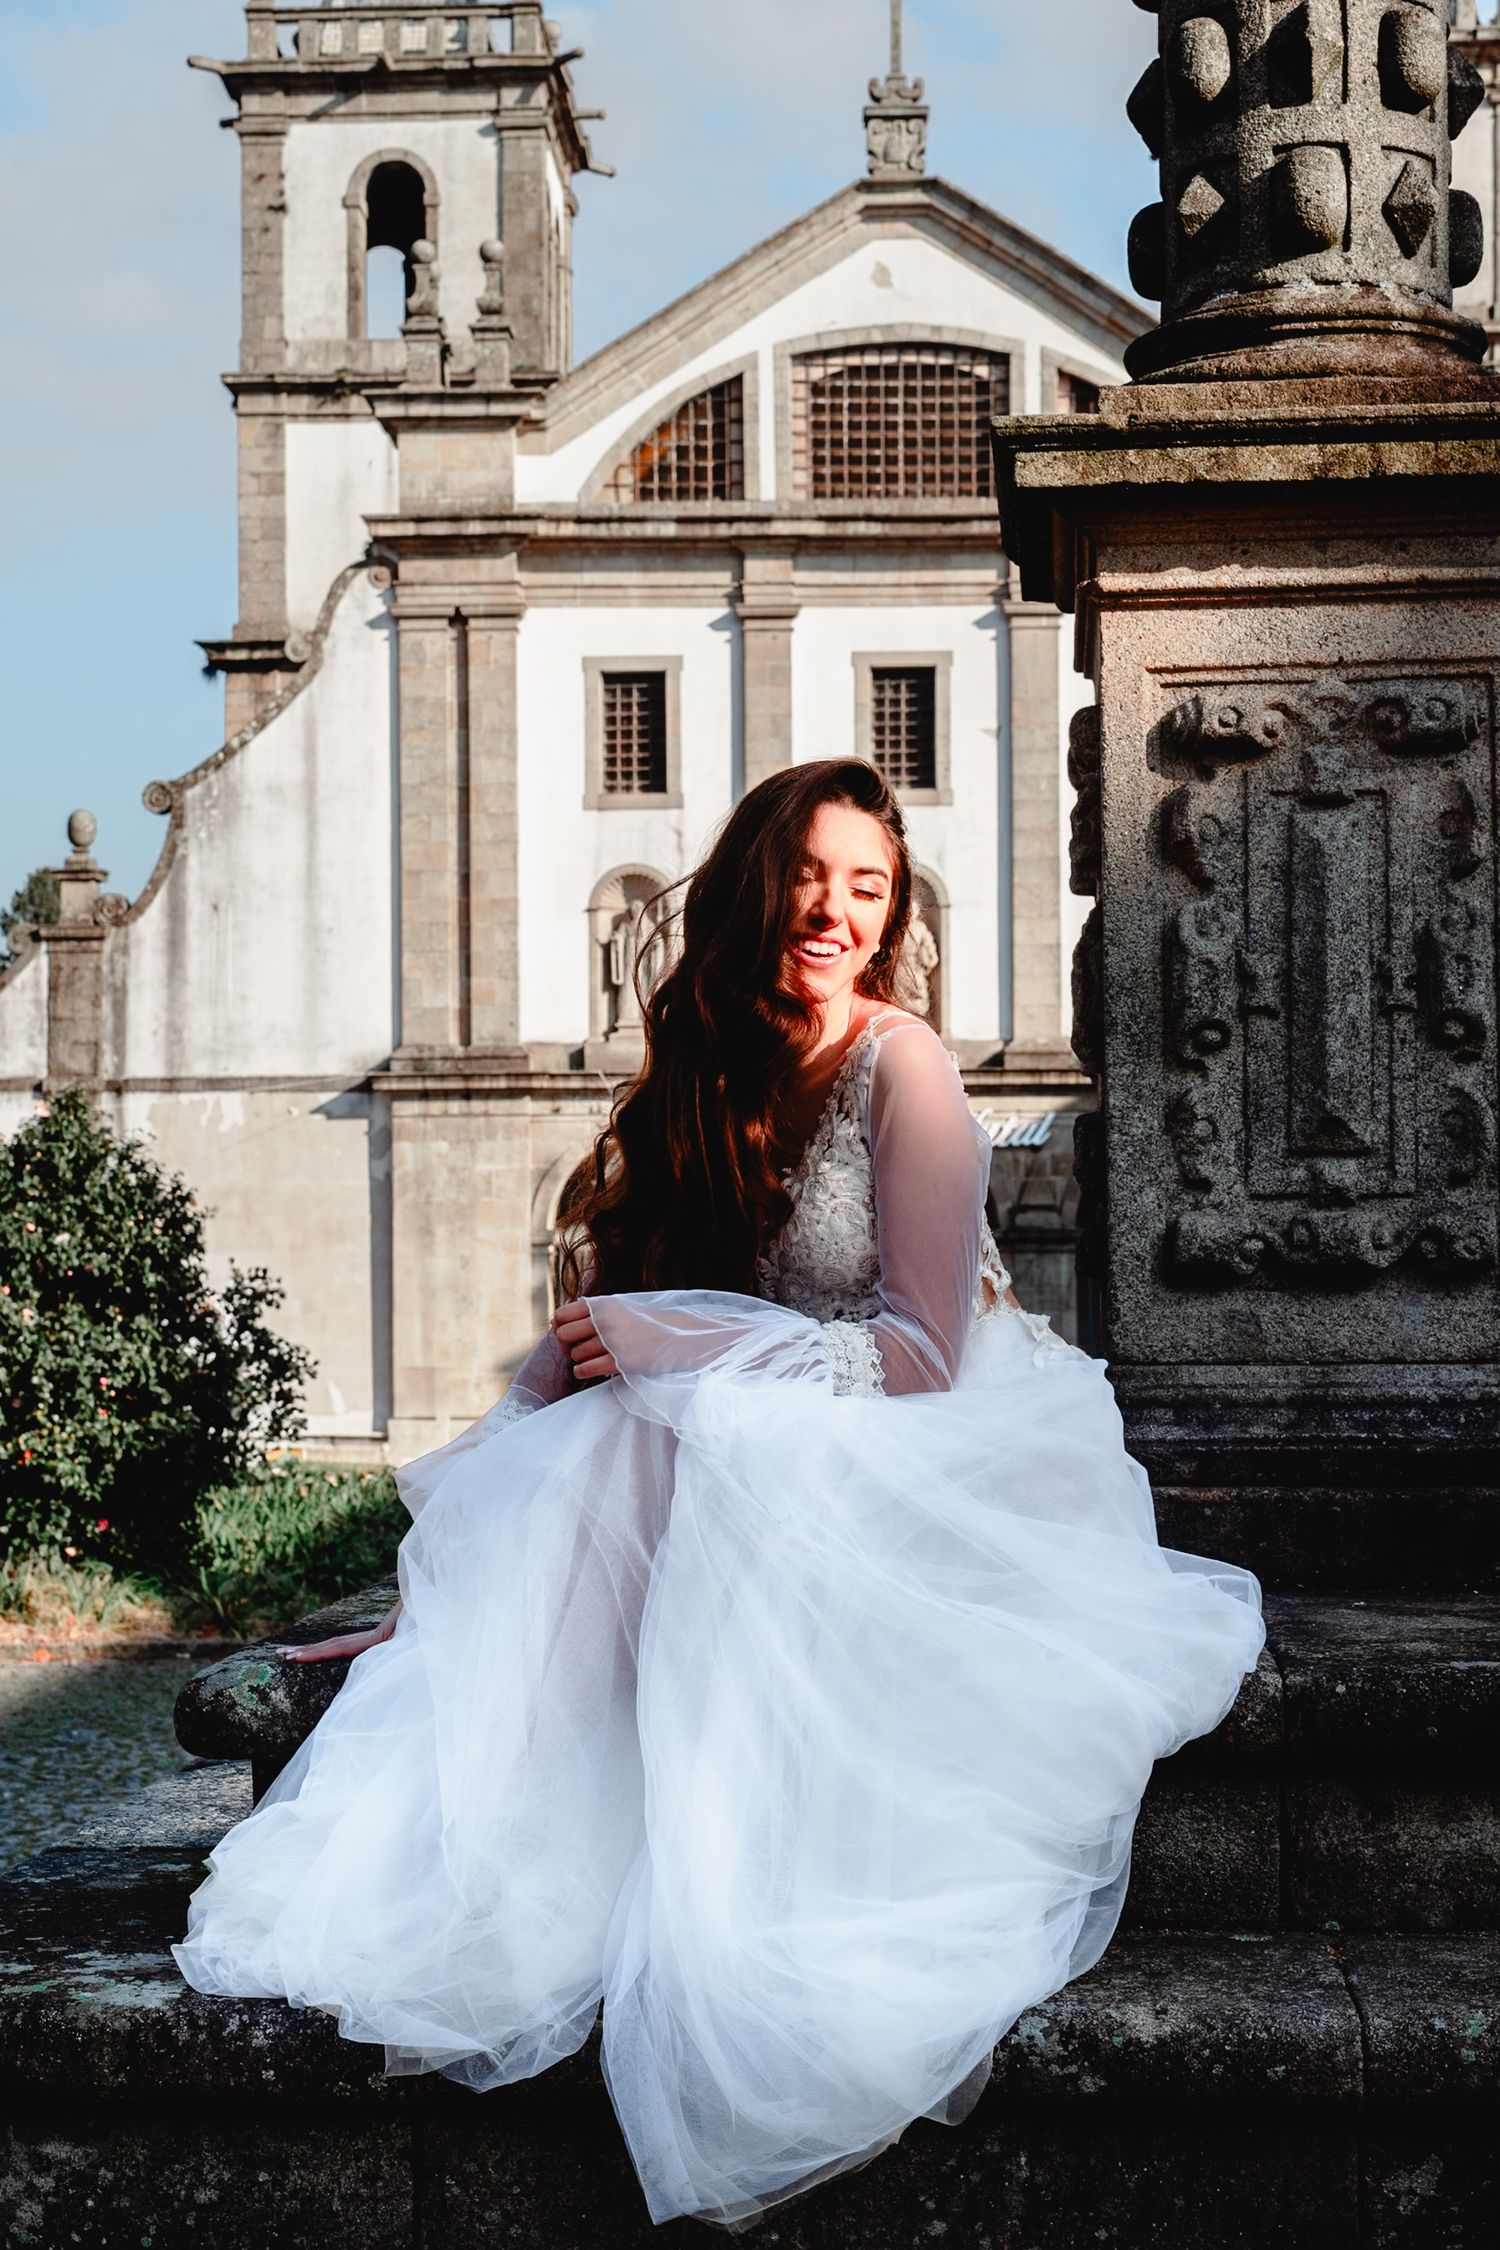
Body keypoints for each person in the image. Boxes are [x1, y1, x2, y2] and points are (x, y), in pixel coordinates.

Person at [172, 759, 1264, 2230]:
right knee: (613, 1426)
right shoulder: (714, 1067)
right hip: (772, 1414)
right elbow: (579, 1353)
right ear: (762, 879)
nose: (836, 909)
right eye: (813, 873)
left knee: (671, 1422)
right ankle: (506, 1843)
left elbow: (926, 1353)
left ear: (893, 911)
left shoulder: (907, 1065)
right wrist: (444, 1589)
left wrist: (679, 1342)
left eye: (868, 885)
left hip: (940, 1440)